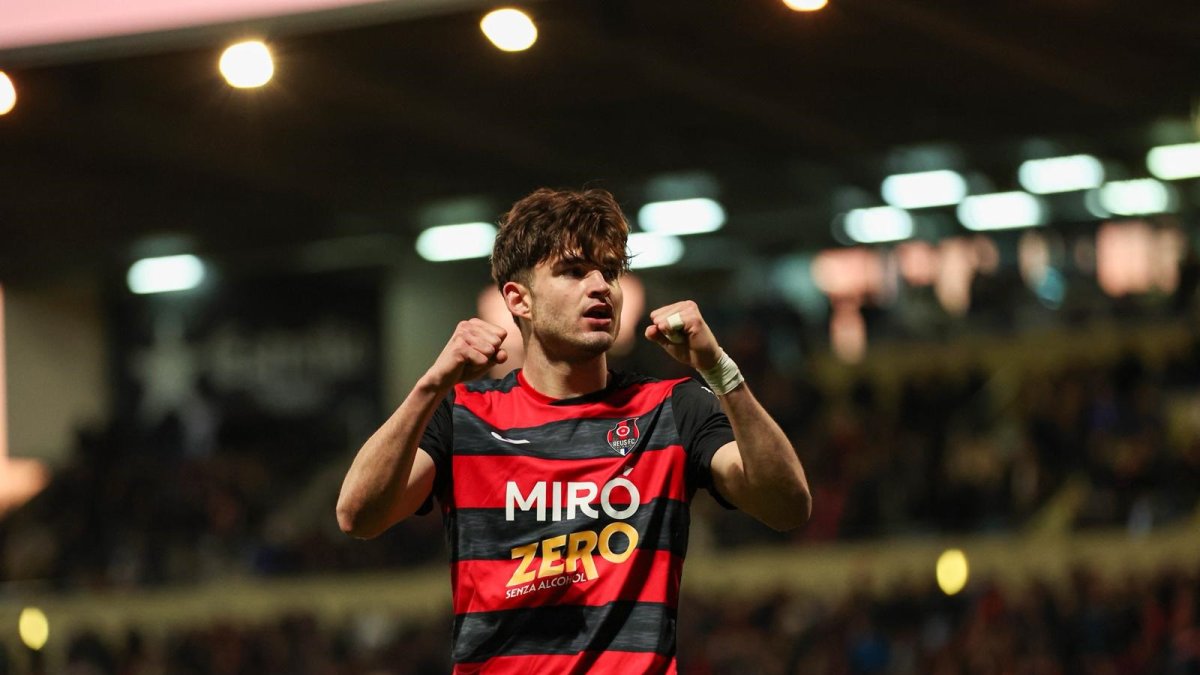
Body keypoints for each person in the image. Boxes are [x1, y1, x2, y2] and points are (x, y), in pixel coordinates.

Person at [337, 188, 811, 674]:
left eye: (609, 271)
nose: (600, 285)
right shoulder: (462, 416)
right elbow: (359, 515)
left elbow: (787, 506)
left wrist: (720, 371)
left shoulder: (672, 409)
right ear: (518, 300)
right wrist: (430, 386)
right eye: (573, 271)